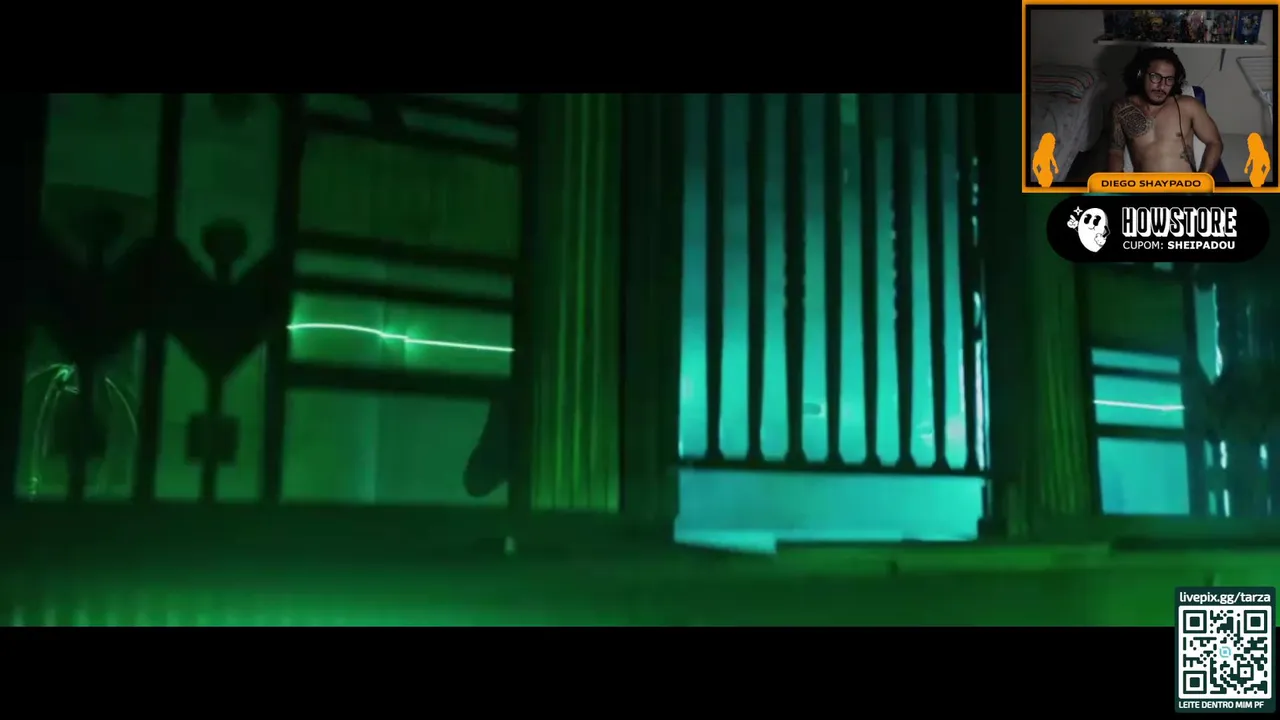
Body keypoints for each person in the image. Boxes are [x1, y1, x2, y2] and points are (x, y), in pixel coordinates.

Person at [1108, 47, 1223, 175]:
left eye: (1169, 79)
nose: (1162, 86)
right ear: (1140, 75)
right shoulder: (1121, 108)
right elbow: (1115, 151)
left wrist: (1203, 176)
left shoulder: (1188, 105)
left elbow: (1215, 142)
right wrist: (1116, 182)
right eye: (1156, 77)